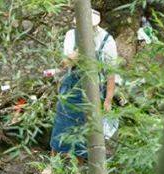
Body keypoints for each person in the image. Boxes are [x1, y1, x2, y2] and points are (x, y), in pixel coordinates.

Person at [49, 9, 121, 156]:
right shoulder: (71, 35)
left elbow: (111, 73)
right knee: (61, 123)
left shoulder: (106, 40)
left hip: (93, 89)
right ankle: (53, 161)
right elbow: (65, 63)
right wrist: (80, 51)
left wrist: (108, 100)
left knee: (85, 127)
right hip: (71, 86)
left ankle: (78, 164)